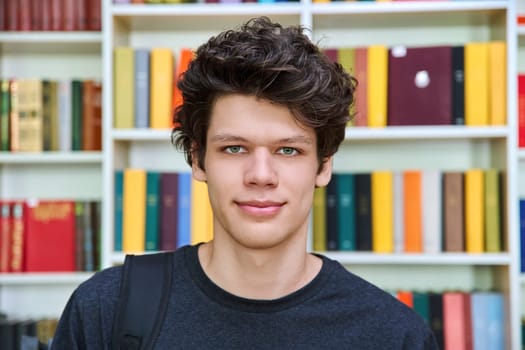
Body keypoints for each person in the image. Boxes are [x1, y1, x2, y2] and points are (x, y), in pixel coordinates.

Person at [51, 16, 438, 349]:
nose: (261, 175)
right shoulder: (106, 308)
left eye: (288, 151)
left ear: (323, 166)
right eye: (235, 148)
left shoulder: (393, 334)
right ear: (198, 159)